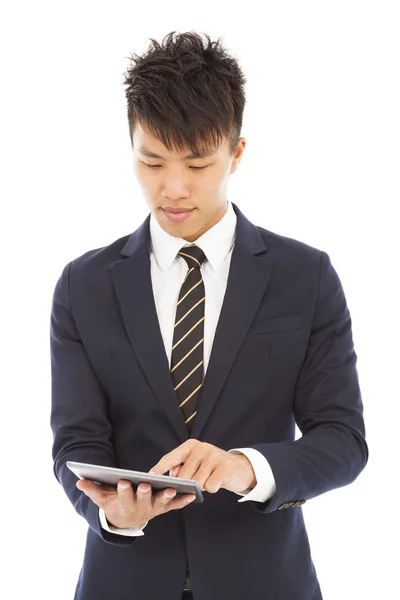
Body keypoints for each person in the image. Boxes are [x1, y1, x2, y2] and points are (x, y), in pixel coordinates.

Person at [50, 31, 368, 600]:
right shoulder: (84, 286)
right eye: (151, 161)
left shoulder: (306, 276)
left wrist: (244, 467)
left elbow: (343, 441)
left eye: (198, 163)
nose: (173, 188)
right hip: (123, 581)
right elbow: (76, 443)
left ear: (237, 152)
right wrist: (116, 514)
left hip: (267, 582)